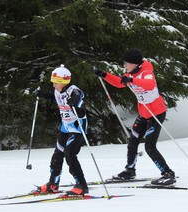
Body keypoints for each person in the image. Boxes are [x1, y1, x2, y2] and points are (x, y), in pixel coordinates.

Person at [94, 48, 176, 185]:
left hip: (156, 113)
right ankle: (130, 171)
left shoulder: (147, 72)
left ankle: (168, 173)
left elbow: (149, 85)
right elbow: (120, 82)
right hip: (144, 113)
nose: (124, 66)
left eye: (127, 63)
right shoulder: (131, 72)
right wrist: (104, 74)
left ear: (135, 63)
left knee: (150, 146)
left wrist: (132, 79)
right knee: (132, 141)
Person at [37, 64, 89, 195]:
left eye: (55, 83)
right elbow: (55, 97)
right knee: (57, 154)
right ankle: (53, 183)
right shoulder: (57, 90)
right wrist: (41, 95)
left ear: (62, 82)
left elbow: (79, 102)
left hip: (77, 127)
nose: (54, 85)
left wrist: (74, 103)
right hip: (65, 127)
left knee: (70, 154)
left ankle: (82, 185)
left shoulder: (73, 90)